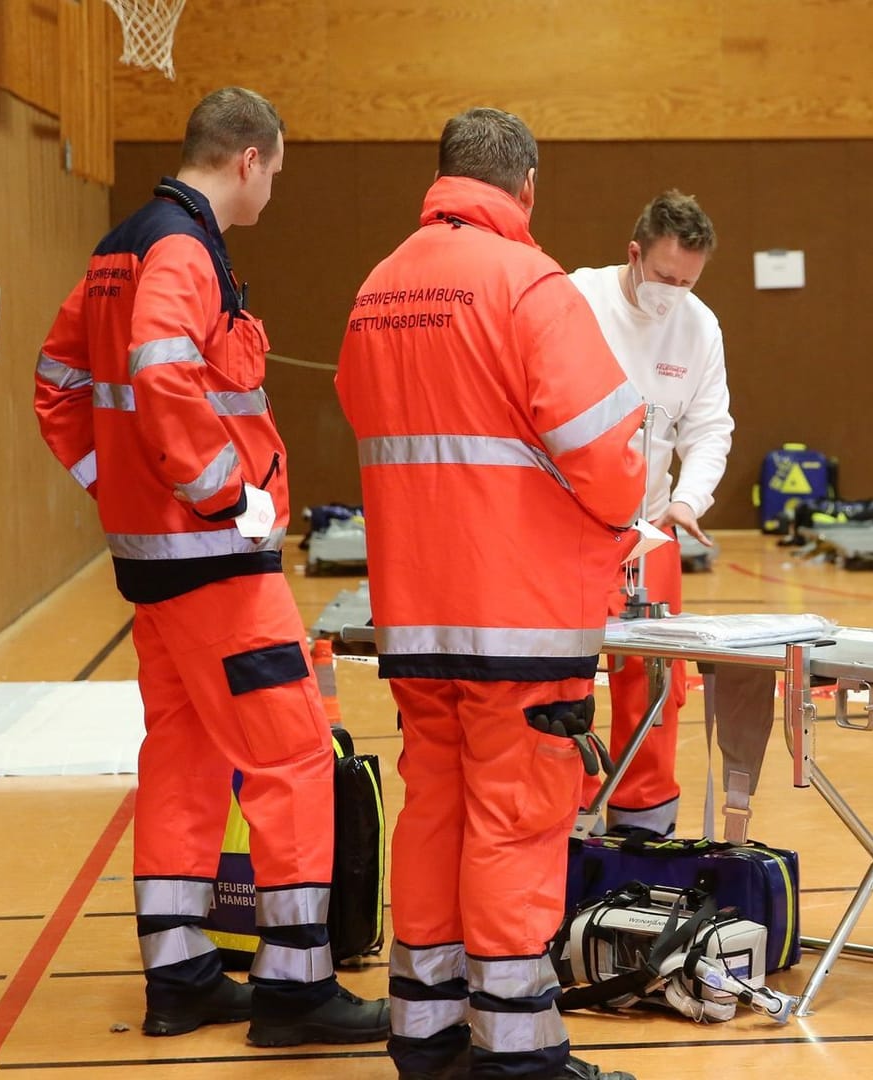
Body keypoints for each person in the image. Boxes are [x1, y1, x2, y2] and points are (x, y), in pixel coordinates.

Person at [33, 87, 388, 1046]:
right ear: (248, 159)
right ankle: (296, 986)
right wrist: (223, 494)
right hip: (218, 566)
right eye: (276, 171)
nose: (273, 189)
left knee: (185, 760)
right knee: (294, 756)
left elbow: (58, 380)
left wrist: (119, 488)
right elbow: (159, 371)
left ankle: (179, 971)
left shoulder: (121, 247)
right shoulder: (184, 253)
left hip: (156, 569)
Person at [335, 107, 645, 1080]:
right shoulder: (531, 286)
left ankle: (425, 1038)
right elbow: (609, 458)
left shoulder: (378, 288)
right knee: (515, 822)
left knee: (437, 813)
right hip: (521, 618)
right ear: (527, 188)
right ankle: (517, 1052)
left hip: (416, 618)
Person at [568, 190, 733, 837]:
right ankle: (571, 816)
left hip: (654, 531)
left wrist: (690, 499)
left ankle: (645, 825)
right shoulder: (577, 300)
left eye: (688, 282)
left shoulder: (700, 326)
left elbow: (710, 425)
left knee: (658, 687)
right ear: (634, 255)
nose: (675, 293)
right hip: (574, 529)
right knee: (567, 681)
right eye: (666, 277)